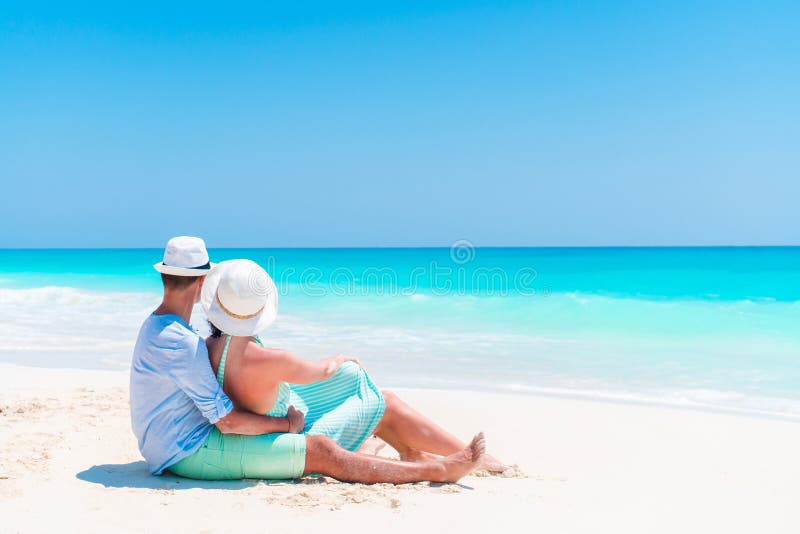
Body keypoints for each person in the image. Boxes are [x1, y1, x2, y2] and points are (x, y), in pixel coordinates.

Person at [130, 237, 486, 484]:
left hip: (169, 444)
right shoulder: (180, 341)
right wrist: (287, 426)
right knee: (321, 451)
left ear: (165, 276)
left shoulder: (164, 328)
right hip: (187, 451)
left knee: (331, 424)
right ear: (202, 280)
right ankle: (435, 471)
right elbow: (226, 423)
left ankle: (420, 454)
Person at [196, 259, 506, 473]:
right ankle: (480, 460)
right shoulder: (272, 358)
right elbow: (323, 372)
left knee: (374, 397)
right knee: (382, 400)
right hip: (290, 437)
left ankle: (413, 452)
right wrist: (342, 358)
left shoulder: (207, 348)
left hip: (264, 429)